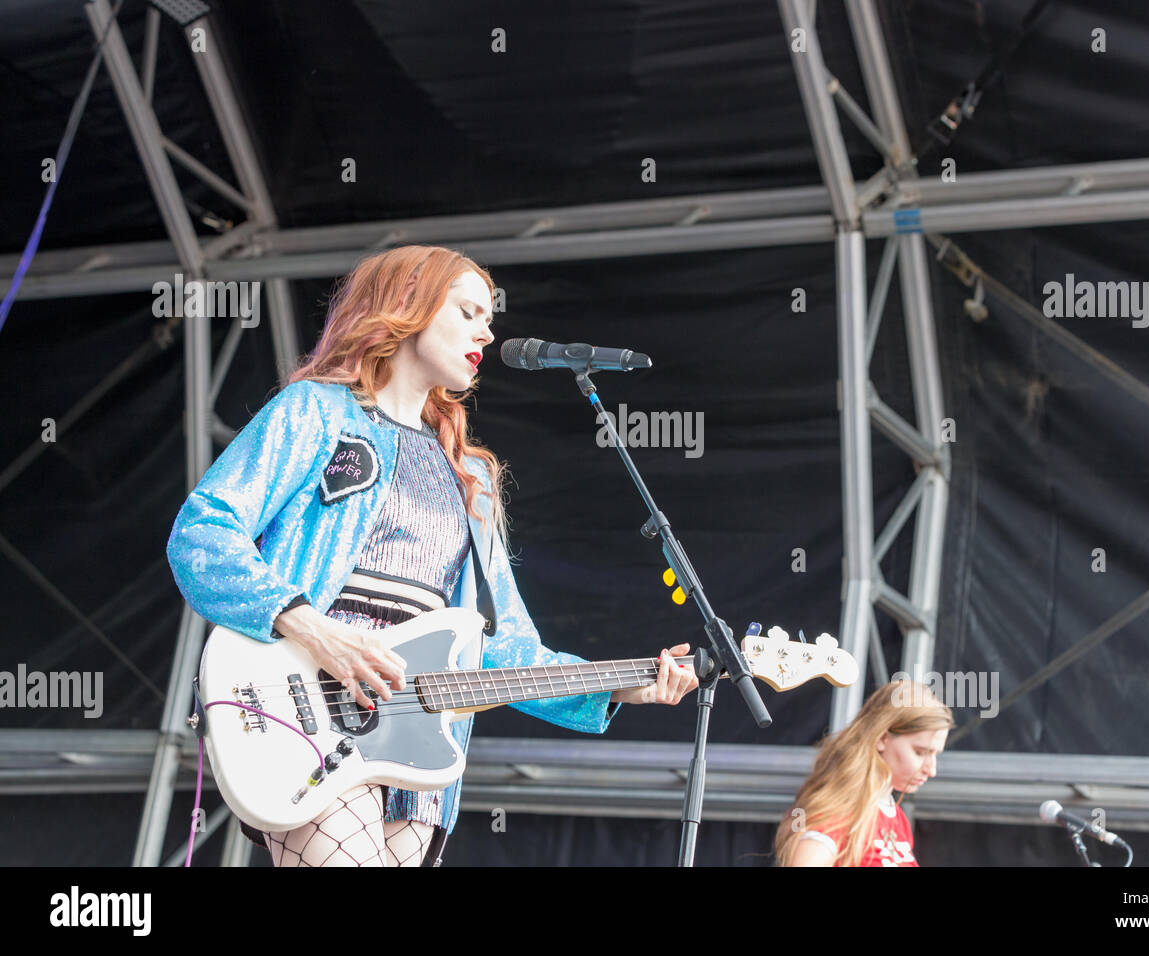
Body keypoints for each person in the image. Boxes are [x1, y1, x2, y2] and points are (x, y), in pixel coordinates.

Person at [166, 245, 698, 867]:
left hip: (415, 741)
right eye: (469, 310)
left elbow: (505, 649)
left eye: (488, 317)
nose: (488, 330)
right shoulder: (314, 413)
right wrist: (314, 627)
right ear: (408, 306)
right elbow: (202, 534)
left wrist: (617, 689)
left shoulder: (471, 477)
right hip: (307, 706)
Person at [774, 680, 953, 866]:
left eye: (935, 755)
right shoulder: (838, 811)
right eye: (920, 752)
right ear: (882, 738)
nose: (931, 770)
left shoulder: (896, 817)